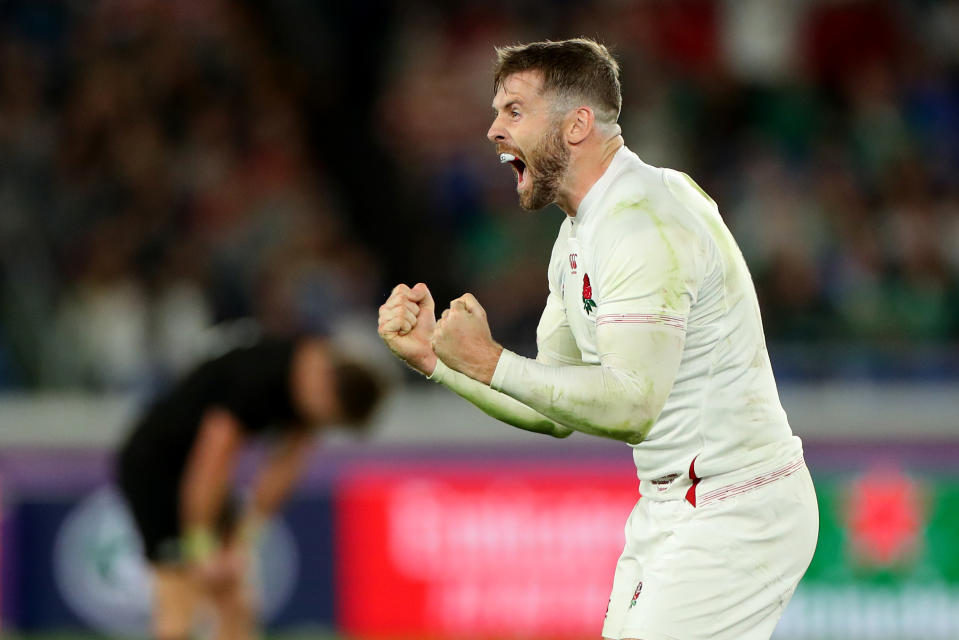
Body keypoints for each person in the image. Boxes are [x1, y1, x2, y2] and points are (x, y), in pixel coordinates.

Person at [378, 38, 818, 640]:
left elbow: (633, 406)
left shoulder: (643, 224)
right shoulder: (578, 236)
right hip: (675, 506)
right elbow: (556, 407)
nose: (492, 130)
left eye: (513, 111)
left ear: (577, 124)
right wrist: (441, 360)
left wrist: (492, 360)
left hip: (736, 507)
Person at [116, 334, 386, 640]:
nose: (320, 425)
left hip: (200, 477)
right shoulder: (258, 380)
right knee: (179, 596)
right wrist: (201, 544)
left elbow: (282, 471)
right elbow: (211, 460)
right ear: (326, 392)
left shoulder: (312, 386)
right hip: (154, 468)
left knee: (237, 601)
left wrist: (242, 539)